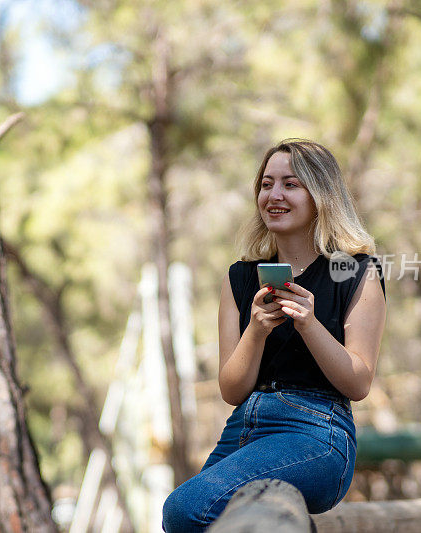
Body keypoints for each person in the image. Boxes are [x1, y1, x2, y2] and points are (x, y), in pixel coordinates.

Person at [161, 139, 387, 532]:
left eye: (290, 184)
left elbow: (358, 381)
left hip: (317, 433)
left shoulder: (355, 272)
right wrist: (256, 330)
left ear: (321, 196)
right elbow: (232, 390)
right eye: (266, 184)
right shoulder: (240, 278)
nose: (274, 195)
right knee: (184, 522)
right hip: (243, 429)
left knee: (185, 511)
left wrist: (308, 323)